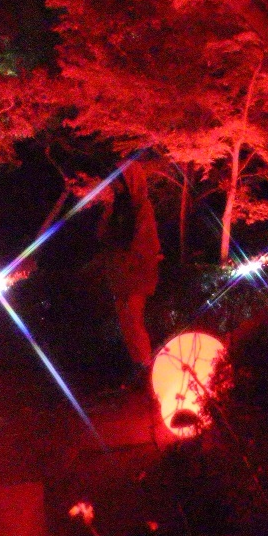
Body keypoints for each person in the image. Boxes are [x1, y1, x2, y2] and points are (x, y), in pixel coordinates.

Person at [97, 161, 161, 378]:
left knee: (134, 320)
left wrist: (130, 257)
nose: (115, 185)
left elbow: (146, 242)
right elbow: (103, 235)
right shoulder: (116, 207)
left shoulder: (142, 208)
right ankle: (138, 367)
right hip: (119, 274)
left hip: (136, 274)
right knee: (125, 323)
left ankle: (147, 366)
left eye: (119, 181)